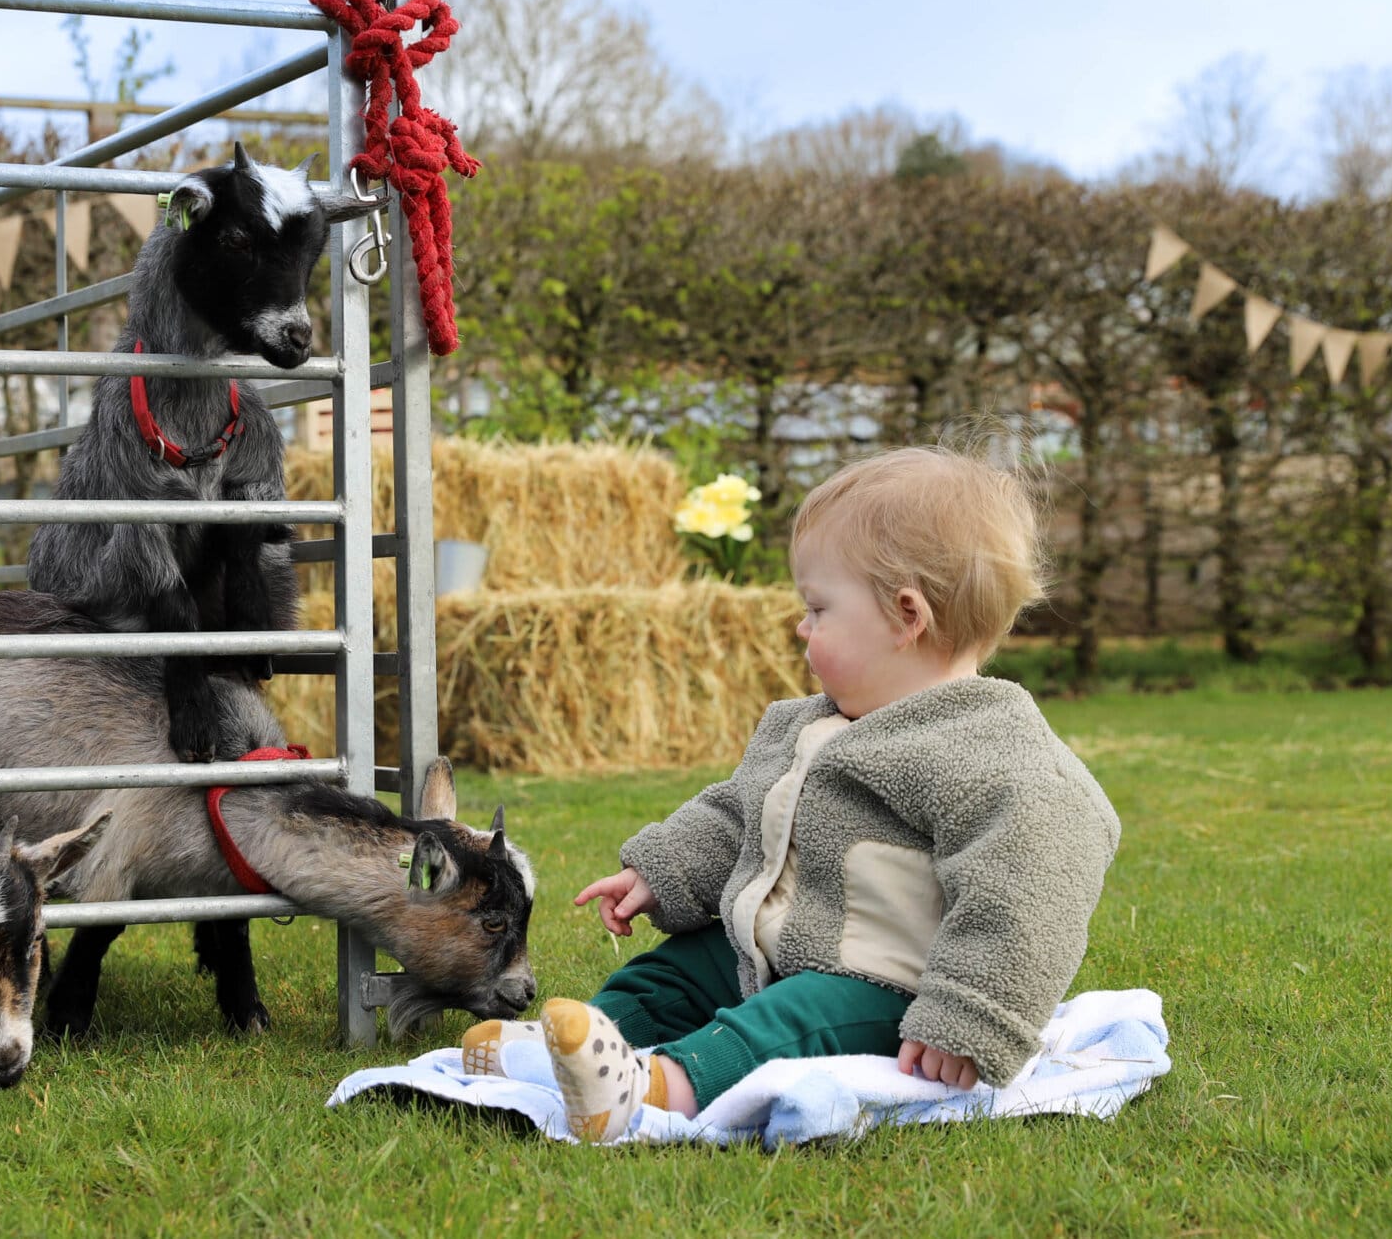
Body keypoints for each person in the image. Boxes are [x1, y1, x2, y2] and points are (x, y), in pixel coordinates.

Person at [462, 444, 1121, 1142]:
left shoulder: (990, 745)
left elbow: (1035, 882)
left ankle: (662, 1089)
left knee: (787, 1023)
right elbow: (738, 811)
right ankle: (577, 1048)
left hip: (884, 988)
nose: (801, 626)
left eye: (818, 608)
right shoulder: (809, 723)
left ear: (906, 616)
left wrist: (968, 1013)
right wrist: (661, 871)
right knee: (672, 974)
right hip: (770, 948)